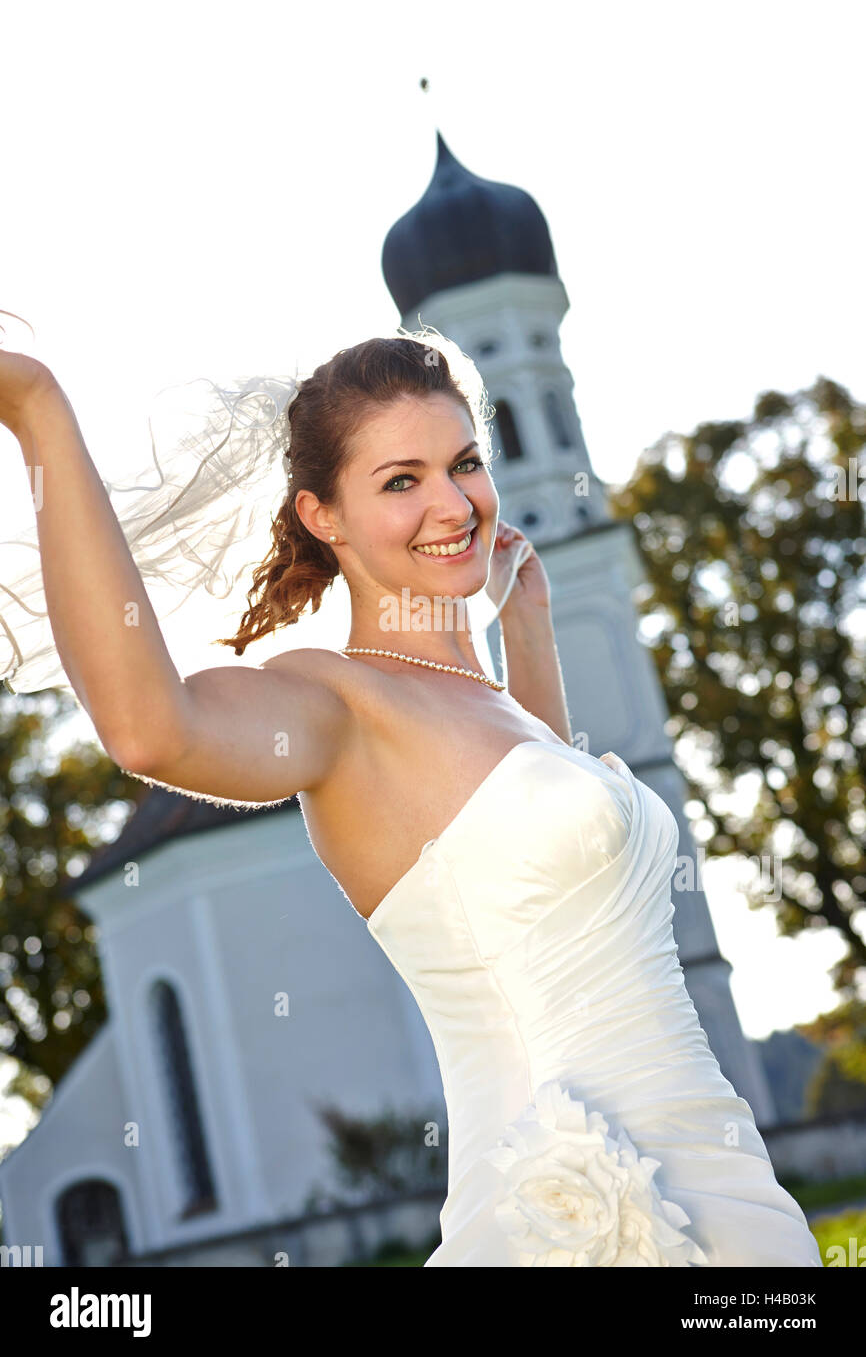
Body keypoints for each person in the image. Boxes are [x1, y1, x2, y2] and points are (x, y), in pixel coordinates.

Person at [0, 330, 822, 1267]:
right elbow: (152, 730)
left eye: (463, 463)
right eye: (401, 481)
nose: (451, 502)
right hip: (581, 1220)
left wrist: (528, 625)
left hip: (729, 1185)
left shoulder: (496, 702)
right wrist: (38, 410)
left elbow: (554, 863)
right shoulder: (337, 705)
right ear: (324, 516)